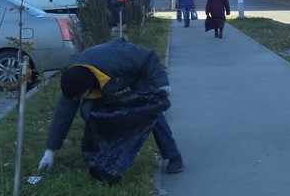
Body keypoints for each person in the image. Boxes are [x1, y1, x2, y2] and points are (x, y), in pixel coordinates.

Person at [38, 38, 184, 174]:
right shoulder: (74, 82)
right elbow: (63, 116)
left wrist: (162, 85)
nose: (75, 99)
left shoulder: (117, 57)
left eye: (79, 96)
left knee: (151, 109)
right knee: (87, 110)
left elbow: (149, 57)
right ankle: (106, 153)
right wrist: (49, 152)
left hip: (134, 73)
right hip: (105, 83)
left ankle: (173, 155)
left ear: (88, 87)